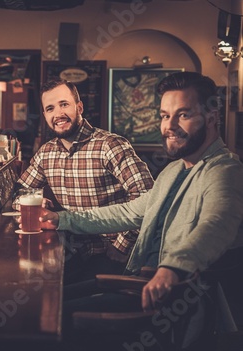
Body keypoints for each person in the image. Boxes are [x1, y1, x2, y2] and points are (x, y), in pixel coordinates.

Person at [38, 72, 243, 345]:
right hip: (134, 283)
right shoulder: (173, 170)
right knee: (43, 299)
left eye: (183, 114)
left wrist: (173, 267)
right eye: (164, 115)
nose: (170, 125)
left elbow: (217, 225)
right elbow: (127, 212)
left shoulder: (224, 170)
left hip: (163, 308)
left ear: (211, 117)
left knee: (44, 317)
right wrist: (61, 220)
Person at [17, 78, 154, 283]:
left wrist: (122, 245)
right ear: (45, 115)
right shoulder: (46, 152)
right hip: (70, 251)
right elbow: (21, 191)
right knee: (29, 282)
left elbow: (148, 199)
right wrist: (36, 201)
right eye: (50, 108)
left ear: (79, 107)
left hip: (109, 253)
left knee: (59, 300)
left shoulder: (110, 145)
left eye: (64, 104)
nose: (58, 114)